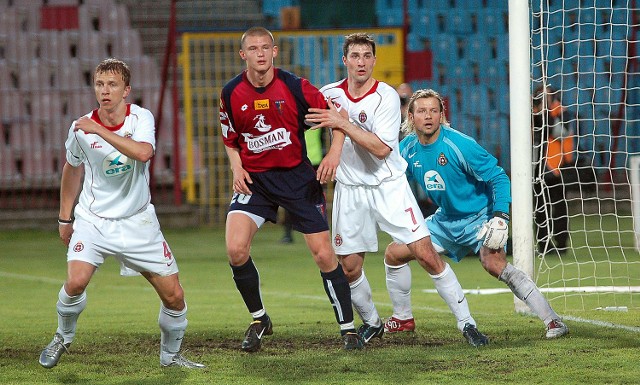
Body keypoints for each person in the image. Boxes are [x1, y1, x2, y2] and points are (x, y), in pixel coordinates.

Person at [305, 33, 488, 347]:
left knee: (426, 255)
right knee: (349, 267)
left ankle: (467, 323)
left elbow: (380, 149)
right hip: (350, 189)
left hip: (389, 187)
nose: (361, 62)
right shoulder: (329, 93)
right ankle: (373, 322)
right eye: (355, 56)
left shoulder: (386, 97)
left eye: (367, 56)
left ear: (375, 61)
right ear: (344, 60)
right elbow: (304, 119)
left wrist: (344, 123)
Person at [38, 58, 204, 369]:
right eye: (99, 84)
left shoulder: (140, 118)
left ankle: (171, 357)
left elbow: (143, 152)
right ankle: (62, 337)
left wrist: (98, 130)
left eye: (112, 84)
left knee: (175, 297)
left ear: (126, 90)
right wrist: (65, 217)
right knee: (75, 282)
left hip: (138, 221)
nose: (105, 90)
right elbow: (72, 170)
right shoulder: (80, 129)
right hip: (94, 222)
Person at [383, 88, 569, 339]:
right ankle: (403, 318)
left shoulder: (459, 144)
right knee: (394, 254)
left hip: (479, 218)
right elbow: (395, 184)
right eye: (422, 111)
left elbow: (498, 177)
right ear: (411, 117)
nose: (428, 116)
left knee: (494, 264)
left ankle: (553, 320)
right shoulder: (407, 149)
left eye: (434, 111)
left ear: (441, 115)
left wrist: (500, 216)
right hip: (445, 220)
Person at [219, 27, 362, 352]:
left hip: (297, 181)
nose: (259, 53)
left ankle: (348, 328)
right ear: (243, 55)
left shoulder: (296, 87)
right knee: (235, 249)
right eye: (252, 48)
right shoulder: (230, 92)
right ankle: (259, 319)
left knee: (324, 255)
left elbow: (337, 118)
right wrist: (236, 165)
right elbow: (229, 136)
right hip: (255, 181)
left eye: (264, 47)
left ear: (274, 51)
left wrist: (334, 153)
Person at [532, 85, 574, 254]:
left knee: (559, 207)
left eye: (546, 97)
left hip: (556, 167)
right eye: (540, 96)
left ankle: (561, 242)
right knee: (539, 208)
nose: (543, 100)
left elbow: (561, 133)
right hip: (537, 167)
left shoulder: (561, 112)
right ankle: (543, 244)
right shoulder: (531, 114)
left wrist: (546, 112)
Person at [281, 128, 324, 244]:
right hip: (296, 161)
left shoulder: (315, 116)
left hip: (313, 160)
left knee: (316, 200)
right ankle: (288, 233)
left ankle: (319, 231)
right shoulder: (294, 116)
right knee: (290, 199)